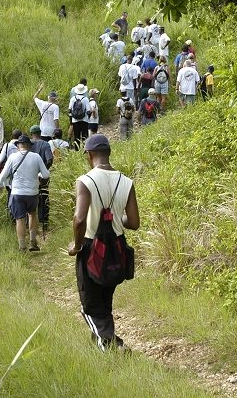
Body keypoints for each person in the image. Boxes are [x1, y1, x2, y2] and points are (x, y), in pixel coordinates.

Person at [67, 134, 140, 351]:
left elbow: (79, 219)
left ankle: (110, 345)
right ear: (109, 153)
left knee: (89, 305)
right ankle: (105, 343)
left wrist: (77, 246)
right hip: (117, 248)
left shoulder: (85, 181)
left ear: (89, 155)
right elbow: (134, 222)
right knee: (104, 300)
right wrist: (116, 218)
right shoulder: (126, 182)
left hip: (92, 247)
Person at [0, 135, 50, 251]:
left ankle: (22, 246)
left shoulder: (12, 157)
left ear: (18, 146)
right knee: (32, 214)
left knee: (20, 219)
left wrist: (0, 185)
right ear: (29, 146)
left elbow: (3, 175)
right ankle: (33, 242)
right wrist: (39, 175)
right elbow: (46, 174)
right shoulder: (36, 157)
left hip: (17, 193)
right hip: (32, 192)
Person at [30, 125, 54, 234]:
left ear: (31, 134)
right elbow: (49, 160)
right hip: (42, 178)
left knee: (30, 199)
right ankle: (44, 223)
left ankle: (29, 225)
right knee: (43, 198)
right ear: (40, 133)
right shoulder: (45, 144)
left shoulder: (27, 145)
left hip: (29, 177)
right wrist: (43, 171)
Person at [69, 83, 90, 150]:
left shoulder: (73, 98)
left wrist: (73, 116)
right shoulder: (85, 99)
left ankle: (76, 150)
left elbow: (69, 110)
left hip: (75, 121)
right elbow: (88, 111)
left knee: (76, 136)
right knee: (85, 136)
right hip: (84, 120)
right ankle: (85, 149)